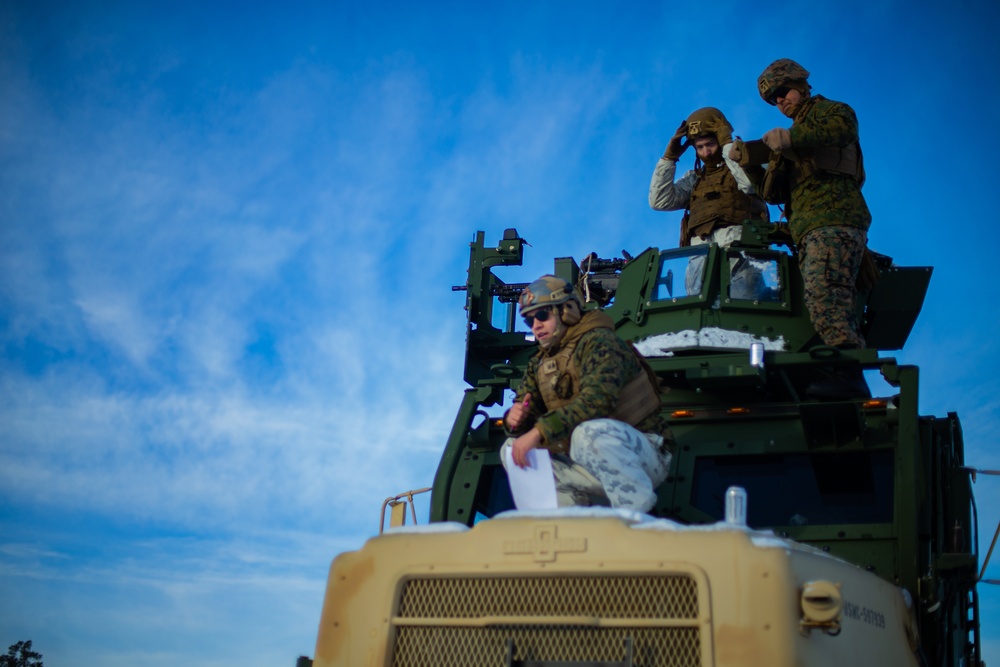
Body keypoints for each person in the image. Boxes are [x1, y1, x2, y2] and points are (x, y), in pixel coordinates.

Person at [737, 59, 870, 398]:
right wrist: (749, 163)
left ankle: (849, 374)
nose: (781, 101)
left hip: (834, 219)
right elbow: (772, 192)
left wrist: (792, 138)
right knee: (817, 296)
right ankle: (842, 370)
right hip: (809, 228)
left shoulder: (831, 112)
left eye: (784, 92)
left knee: (827, 293)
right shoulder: (785, 140)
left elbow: (843, 130)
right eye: (774, 99)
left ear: (801, 84)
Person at [501, 275, 672, 512]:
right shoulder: (539, 363)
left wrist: (540, 431)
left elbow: (598, 402)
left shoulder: (600, 342)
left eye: (542, 315)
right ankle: (565, 521)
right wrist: (516, 420)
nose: (536, 326)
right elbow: (527, 411)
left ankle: (634, 515)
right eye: (529, 321)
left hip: (642, 455)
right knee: (512, 448)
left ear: (567, 311)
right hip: (582, 460)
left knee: (587, 433)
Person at [649, 107, 770, 300]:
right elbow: (659, 201)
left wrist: (728, 146)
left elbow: (749, 184)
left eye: (711, 144)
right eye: (699, 147)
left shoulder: (747, 164)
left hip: (741, 251)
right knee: (701, 319)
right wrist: (669, 158)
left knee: (742, 310)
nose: (706, 152)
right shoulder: (695, 179)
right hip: (700, 256)